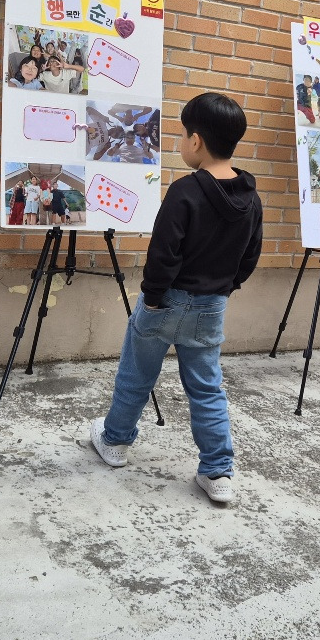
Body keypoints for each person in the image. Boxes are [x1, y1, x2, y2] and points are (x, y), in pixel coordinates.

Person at [87, 92, 262, 505]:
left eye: (183, 135)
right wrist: (225, 287)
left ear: (196, 141)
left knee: (136, 375)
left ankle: (114, 443)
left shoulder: (185, 191)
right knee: (206, 388)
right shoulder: (250, 199)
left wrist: (151, 298)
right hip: (211, 307)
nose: (181, 143)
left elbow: (164, 252)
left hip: (164, 302)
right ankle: (218, 472)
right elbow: (250, 256)